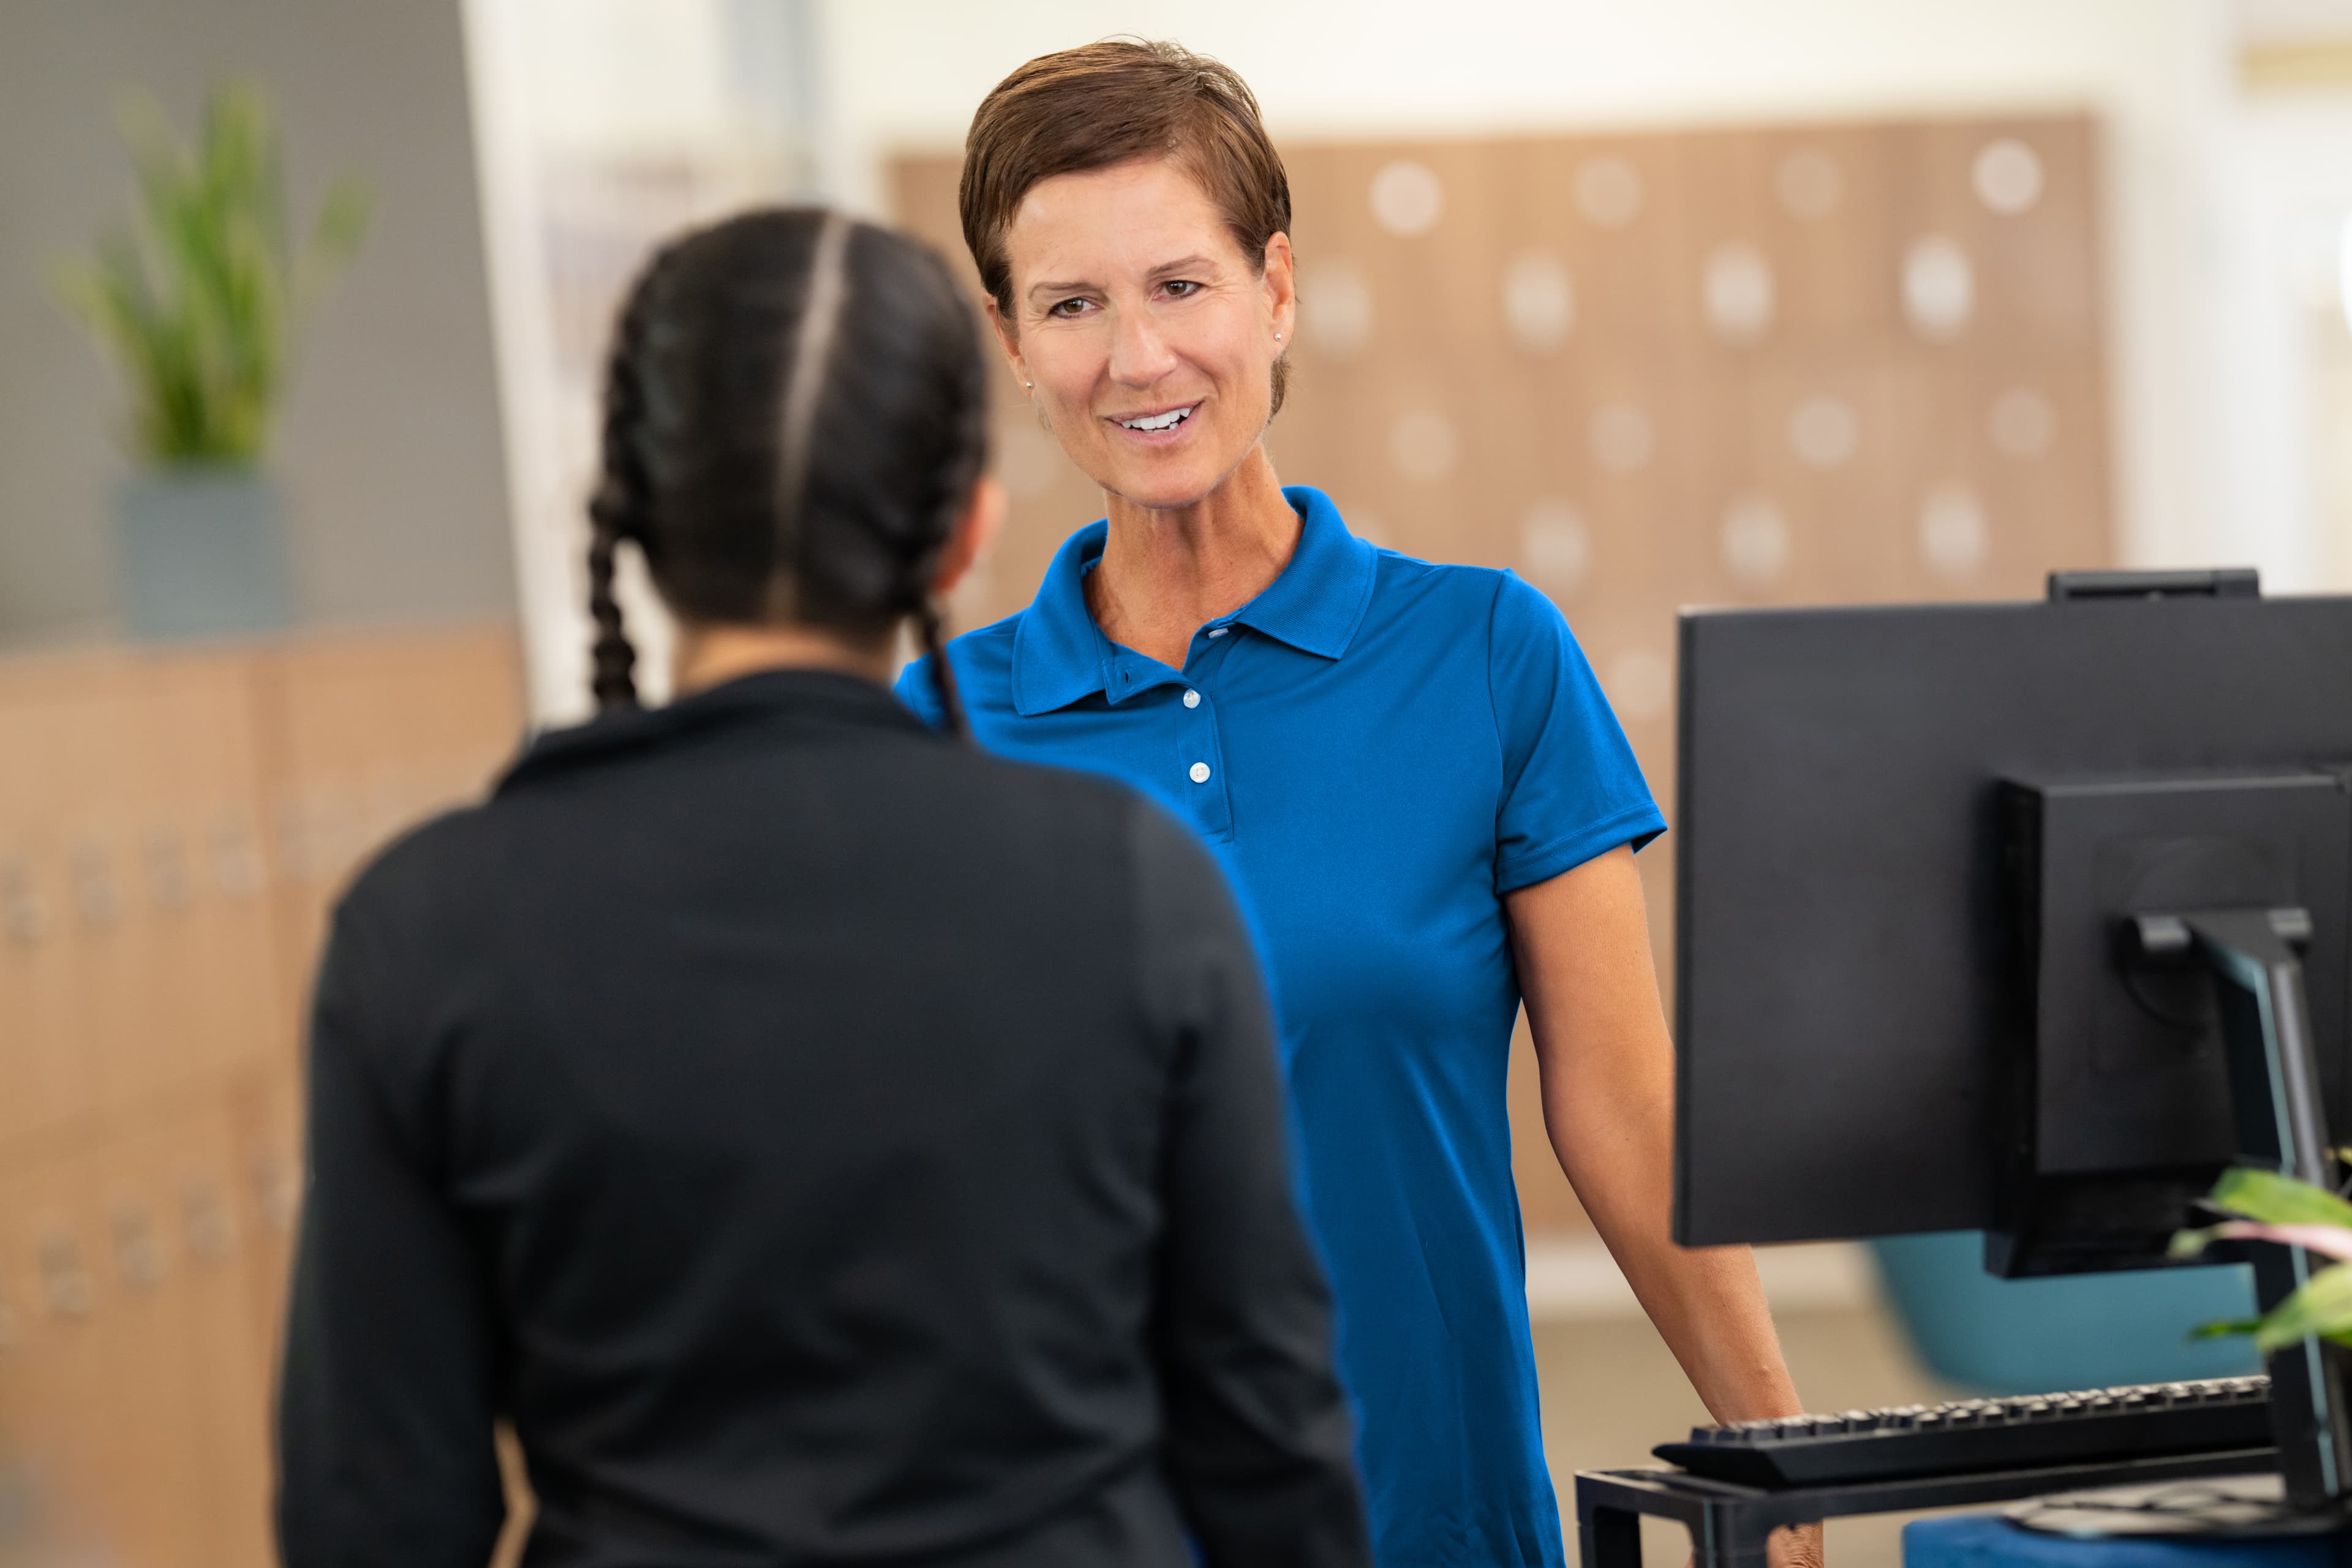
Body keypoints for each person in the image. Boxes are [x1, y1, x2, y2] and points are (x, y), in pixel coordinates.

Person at [275, 209, 1371, 1568]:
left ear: (635, 525)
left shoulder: (428, 929)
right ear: (964, 534)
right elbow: (1269, 1447)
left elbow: (374, 1513)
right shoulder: (1135, 889)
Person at [898, 41, 1820, 1568]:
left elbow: (1622, 1109)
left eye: (1180, 285)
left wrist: (1781, 1452)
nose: (1137, 357)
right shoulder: (935, 730)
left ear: (1275, 289)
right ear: (1009, 337)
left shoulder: (1486, 653)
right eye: (1071, 305)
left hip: (1432, 1522)